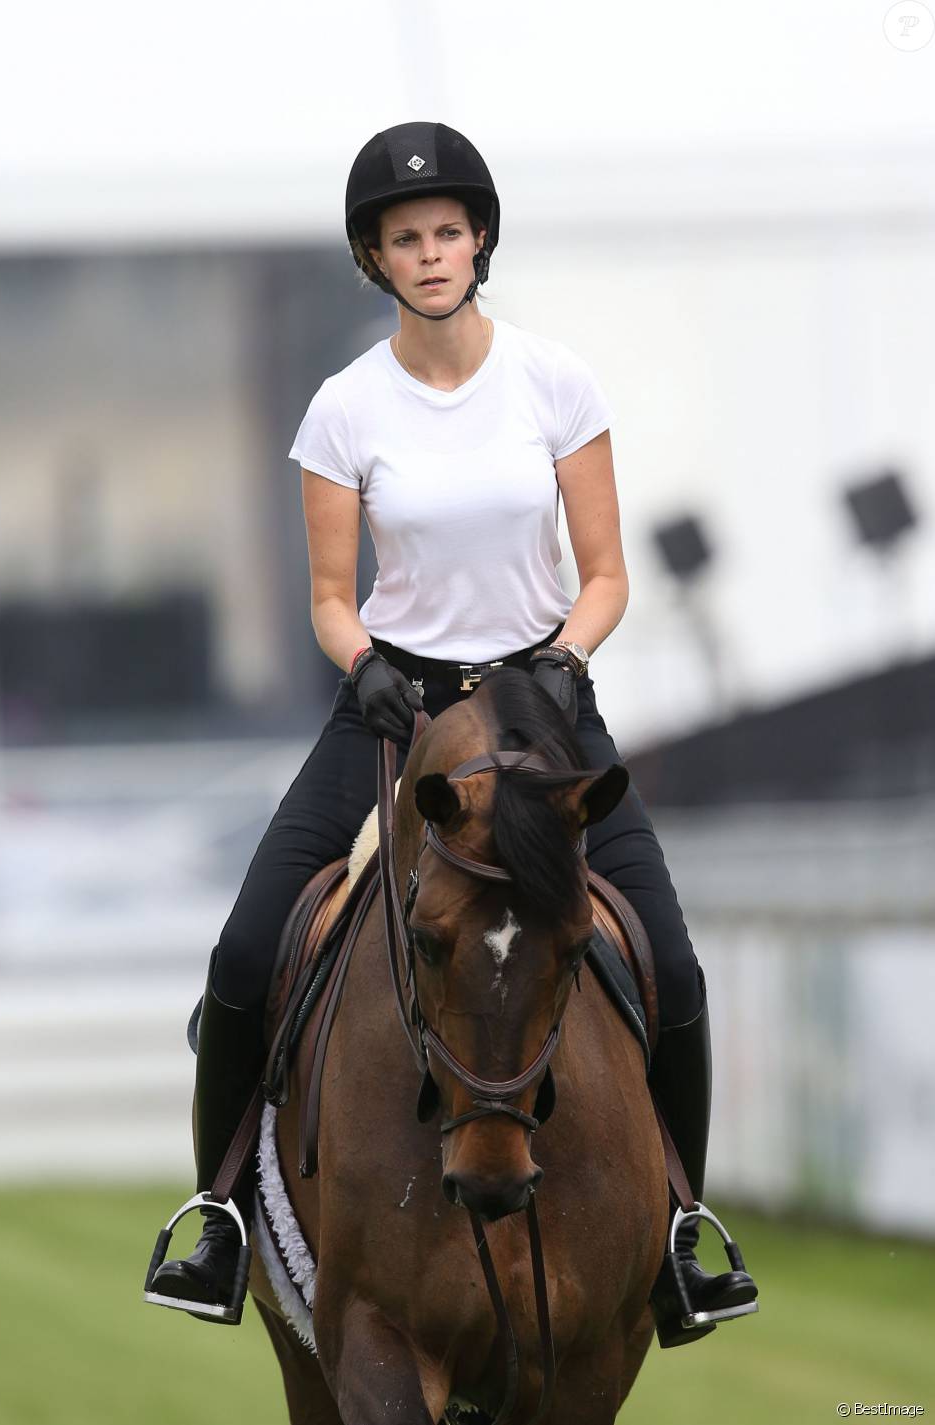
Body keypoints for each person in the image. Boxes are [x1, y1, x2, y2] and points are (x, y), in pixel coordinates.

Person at [147, 121, 758, 1347]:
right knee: (243, 954)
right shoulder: (341, 408)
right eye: (401, 238)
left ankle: (680, 1233)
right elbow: (329, 595)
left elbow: (605, 575)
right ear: (372, 259)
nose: (428, 253)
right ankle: (217, 1212)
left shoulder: (553, 381)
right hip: (395, 705)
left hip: (542, 702)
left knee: (673, 972)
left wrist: (566, 658)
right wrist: (363, 664)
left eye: (444, 231)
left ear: (477, 240)